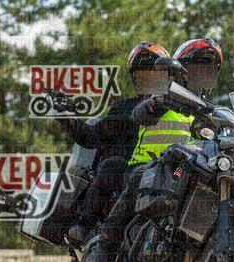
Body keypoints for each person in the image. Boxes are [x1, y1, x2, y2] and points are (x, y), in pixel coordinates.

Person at [85, 38, 223, 262]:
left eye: (208, 70)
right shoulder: (164, 95)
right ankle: (104, 248)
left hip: (187, 172)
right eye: (197, 69)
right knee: (140, 179)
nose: (202, 76)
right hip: (145, 165)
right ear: (182, 71)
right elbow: (140, 113)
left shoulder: (213, 112)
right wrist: (156, 103)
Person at [57, 42, 171, 244]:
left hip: (170, 171)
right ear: (135, 78)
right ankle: (85, 225)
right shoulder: (126, 108)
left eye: (154, 74)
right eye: (143, 74)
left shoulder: (181, 106)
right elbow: (91, 137)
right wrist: (65, 116)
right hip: (131, 173)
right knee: (114, 165)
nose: (149, 79)